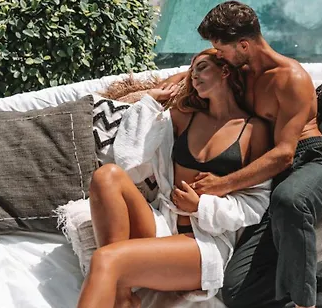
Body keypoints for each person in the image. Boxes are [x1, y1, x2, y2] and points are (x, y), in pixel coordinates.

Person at [162, 1, 322, 308]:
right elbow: (205, 69)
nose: (219, 55)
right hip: (272, 183)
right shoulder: (239, 71)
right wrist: (176, 79)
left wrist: (220, 186)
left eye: (222, 49)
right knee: (236, 290)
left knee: (289, 200)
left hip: (313, 165)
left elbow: (285, 154)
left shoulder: (291, 78)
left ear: (243, 45)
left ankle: (304, 303)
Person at [77, 49, 271, 308]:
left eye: (202, 67)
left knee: (105, 258)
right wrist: (150, 102)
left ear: (225, 71)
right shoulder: (183, 117)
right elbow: (129, 161)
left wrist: (201, 206)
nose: (194, 75)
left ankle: (121, 291)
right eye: (192, 71)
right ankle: (122, 297)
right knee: (106, 175)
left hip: (202, 244)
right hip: (163, 224)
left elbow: (257, 202)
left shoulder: (254, 130)